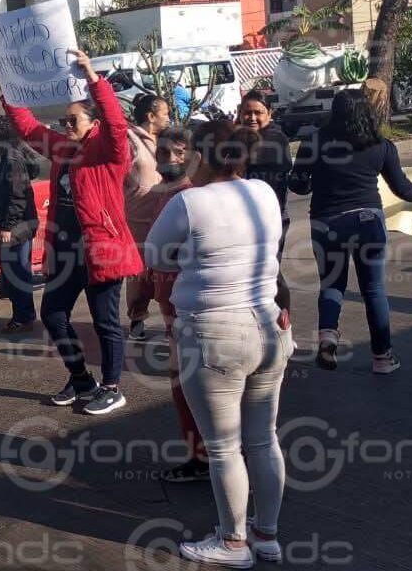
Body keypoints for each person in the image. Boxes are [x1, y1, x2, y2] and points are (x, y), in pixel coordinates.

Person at [145, 120, 290, 568]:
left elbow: (152, 254)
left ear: (201, 155)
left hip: (212, 335)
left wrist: (188, 256)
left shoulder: (189, 202)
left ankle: (232, 543)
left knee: (224, 446)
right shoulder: (263, 193)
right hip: (268, 326)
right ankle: (265, 535)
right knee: (263, 439)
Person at [3, 50, 143, 416]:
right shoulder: (64, 149)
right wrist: (10, 92)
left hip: (103, 250)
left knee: (105, 321)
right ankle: (82, 379)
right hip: (66, 252)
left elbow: (116, 125)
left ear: (91, 122)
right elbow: (30, 129)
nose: (65, 126)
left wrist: (96, 83)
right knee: (52, 313)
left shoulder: (109, 151)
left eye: (72, 120)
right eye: (63, 121)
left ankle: (112, 387)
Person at [289, 89, 412, 373]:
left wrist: (312, 183)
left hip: (327, 222)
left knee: (332, 284)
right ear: (367, 113)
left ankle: (328, 336)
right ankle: (382, 357)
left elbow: (297, 183)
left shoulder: (315, 142)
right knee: (374, 289)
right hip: (367, 221)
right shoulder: (380, 145)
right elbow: (401, 188)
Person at [131, 128, 209, 484]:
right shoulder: (163, 194)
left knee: (197, 387)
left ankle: (211, 459)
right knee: (182, 387)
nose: (170, 158)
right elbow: (152, 254)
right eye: (164, 152)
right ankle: (199, 455)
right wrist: (143, 292)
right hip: (170, 309)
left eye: (179, 152)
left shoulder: (193, 197)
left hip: (192, 309)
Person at [239, 91, 294, 325]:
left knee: (271, 273)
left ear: (269, 114)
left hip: (272, 220)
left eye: (258, 112)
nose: (252, 117)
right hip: (242, 221)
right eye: (246, 112)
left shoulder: (275, 139)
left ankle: (284, 321)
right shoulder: (239, 139)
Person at [0, 115, 40, 334]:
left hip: (18, 225)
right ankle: (21, 314)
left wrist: (7, 227)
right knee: (12, 270)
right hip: (13, 224)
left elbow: (17, 197)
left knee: (18, 271)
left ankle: (24, 317)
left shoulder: (11, 159)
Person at [123, 93, 170, 341]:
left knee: (168, 267)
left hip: (166, 212)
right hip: (137, 217)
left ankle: (171, 318)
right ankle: (137, 319)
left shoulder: (167, 140)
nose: (169, 118)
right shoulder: (129, 140)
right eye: (165, 114)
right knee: (139, 272)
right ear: (151, 116)